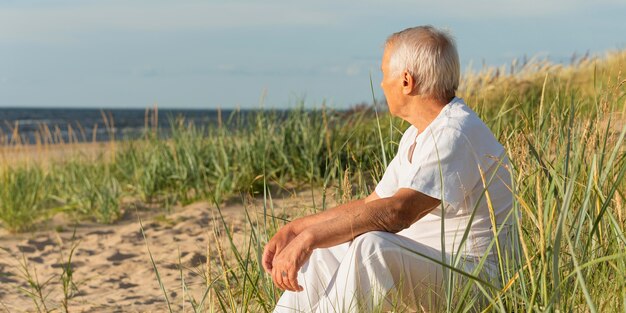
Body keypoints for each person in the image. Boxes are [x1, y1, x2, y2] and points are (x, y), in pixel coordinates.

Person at [263, 25, 515, 312]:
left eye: (385, 74)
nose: (382, 84)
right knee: (326, 251)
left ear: (406, 81)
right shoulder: (418, 133)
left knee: (371, 248)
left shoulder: (455, 132)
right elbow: (373, 203)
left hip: (475, 280)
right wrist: (297, 231)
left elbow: (398, 212)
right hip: (435, 269)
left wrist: (309, 237)